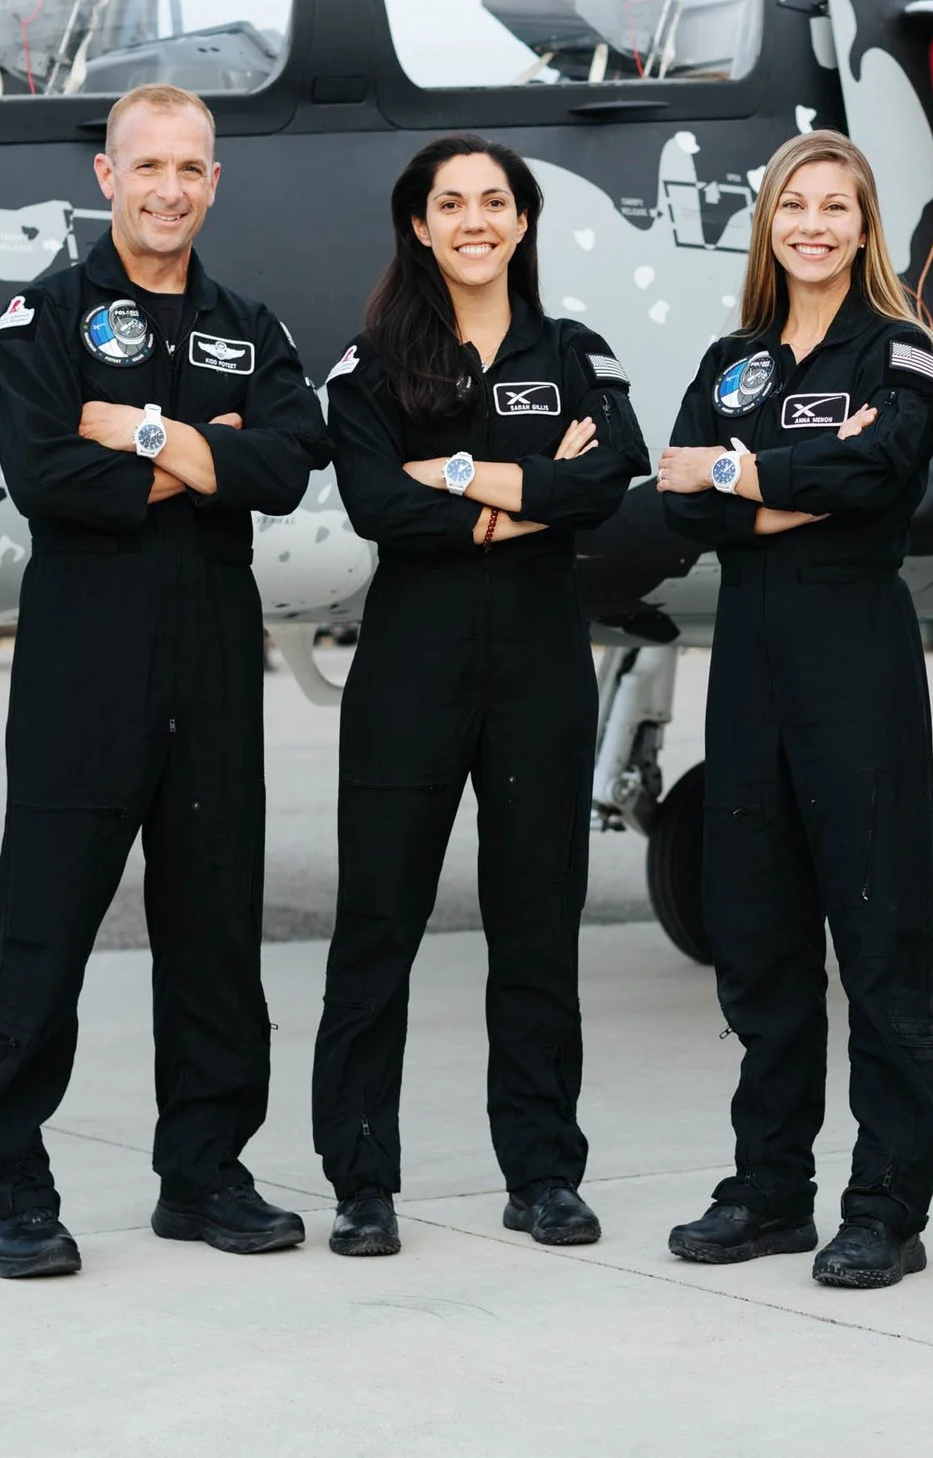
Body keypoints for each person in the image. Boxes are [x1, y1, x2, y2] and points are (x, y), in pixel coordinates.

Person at [0, 83, 332, 1279]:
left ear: (213, 182)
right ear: (106, 177)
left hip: (215, 654)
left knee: (216, 923)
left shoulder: (249, 324)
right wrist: (202, 451)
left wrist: (142, 432)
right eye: (147, 165)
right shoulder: (45, 315)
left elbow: (283, 461)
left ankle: (205, 1170)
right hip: (87, 656)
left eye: (191, 167)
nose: (170, 186)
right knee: (47, 923)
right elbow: (45, 471)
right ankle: (8, 1181)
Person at [312, 134, 648, 1257]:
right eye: (449, 202)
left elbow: (608, 477)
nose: (472, 220)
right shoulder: (372, 363)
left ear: (520, 221)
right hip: (413, 658)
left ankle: (544, 1169)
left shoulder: (575, 350)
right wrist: (520, 493)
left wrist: (451, 476)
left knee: (537, 925)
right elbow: (370, 499)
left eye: (493, 201)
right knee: (377, 926)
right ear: (418, 223)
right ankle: (362, 1180)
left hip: (540, 660)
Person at [656, 130, 933, 1290]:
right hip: (750, 670)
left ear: (864, 226)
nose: (813, 224)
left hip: (853, 662)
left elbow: (878, 480)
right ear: (768, 223)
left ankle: (883, 1203)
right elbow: (674, 503)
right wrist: (773, 482)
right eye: (794, 205)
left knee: (876, 942)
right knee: (760, 939)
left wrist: (737, 476)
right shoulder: (733, 360)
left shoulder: (903, 351)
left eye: (836, 206)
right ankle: (770, 1188)